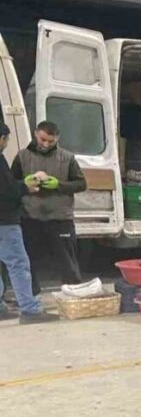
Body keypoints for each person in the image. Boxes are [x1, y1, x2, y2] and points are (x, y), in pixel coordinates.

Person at [11, 121, 86, 294]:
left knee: (67, 261)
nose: (46, 144)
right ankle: (30, 297)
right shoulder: (22, 156)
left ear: (57, 138)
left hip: (60, 218)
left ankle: (75, 296)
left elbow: (82, 184)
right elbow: (11, 184)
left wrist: (58, 185)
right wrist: (24, 183)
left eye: (50, 141)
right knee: (28, 260)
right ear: (35, 134)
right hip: (30, 216)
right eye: (42, 139)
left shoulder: (67, 158)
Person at [0, 123, 58, 324]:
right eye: (6, 140)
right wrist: (27, 187)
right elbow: (7, 192)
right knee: (18, 264)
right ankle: (30, 310)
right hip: (5, 221)